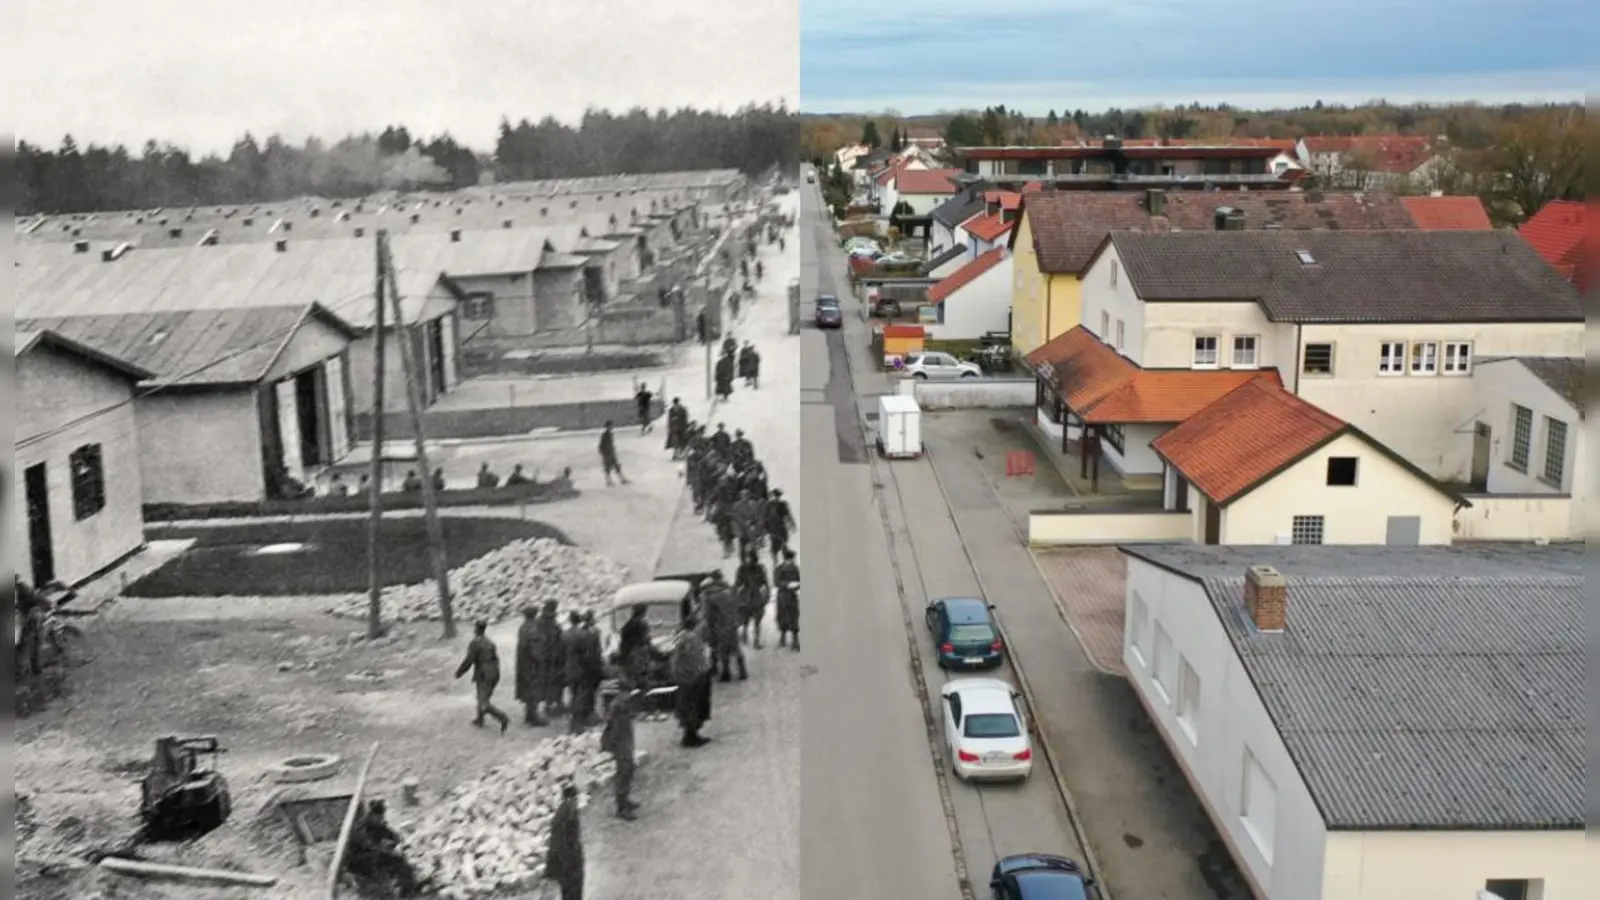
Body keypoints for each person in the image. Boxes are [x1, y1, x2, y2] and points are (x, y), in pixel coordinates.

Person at [454, 621, 509, 732]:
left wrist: (459, 672)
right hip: (494, 672)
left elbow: (469, 660)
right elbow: (495, 658)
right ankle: (480, 719)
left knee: (483, 701)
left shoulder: (475, 643)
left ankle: (502, 717)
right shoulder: (490, 642)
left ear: (476, 629)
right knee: (483, 696)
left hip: (484, 674)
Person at [671, 615, 712, 747]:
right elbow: (695, 659)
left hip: (683, 677)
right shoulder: (691, 639)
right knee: (694, 705)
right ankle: (691, 736)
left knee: (687, 705)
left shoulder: (680, 637)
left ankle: (689, 734)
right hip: (692, 677)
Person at [600, 687, 640, 820]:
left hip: (625, 743)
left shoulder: (620, 710)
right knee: (624, 771)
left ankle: (624, 800)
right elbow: (614, 733)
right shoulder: (616, 710)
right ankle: (621, 807)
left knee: (628, 770)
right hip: (620, 745)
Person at [701, 571, 746, 682]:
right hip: (732, 623)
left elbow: (707, 614)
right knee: (735, 647)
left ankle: (725, 674)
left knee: (721, 649)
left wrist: (709, 626)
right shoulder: (729, 590)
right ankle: (742, 671)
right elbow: (738, 605)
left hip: (719, 625)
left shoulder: (709, 595)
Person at [545, 781, 584, 900]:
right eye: (574, 798)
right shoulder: (562, 817)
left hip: (572, 861)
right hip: (567, 864)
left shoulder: (570, 812)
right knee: (570, 892)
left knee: (574, 891)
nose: (576, 801)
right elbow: (558, 843)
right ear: (568, 798)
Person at [514, 607, 547, 726]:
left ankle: (528, 714)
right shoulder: (534, 629)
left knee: (526, 688)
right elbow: (534, 649)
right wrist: (541, 660)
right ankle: (534, 716)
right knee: (534, 688)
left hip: (522, 663)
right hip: (532, 665)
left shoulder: (522, 627)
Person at [533, 601, 567, 716]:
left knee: (552, 682)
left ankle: (554, 704)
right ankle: (552, 705)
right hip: (550, 658)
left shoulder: (542, 621)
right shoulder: (547, 622)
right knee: (553, 682)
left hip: (549, 657)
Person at [735, 551, 770, 649]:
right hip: (746, 597)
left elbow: (765, 582)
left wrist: (766, 595)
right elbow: (738, 582)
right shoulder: (742, 569)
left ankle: (756, 640)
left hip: (755, 597)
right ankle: (744, 634)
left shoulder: (759, 568)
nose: (748, 560)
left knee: (757, 620)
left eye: (749, 558)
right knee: (745, 619)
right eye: (747, 558)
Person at [617, 603, 653, 686]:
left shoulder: (628, 624)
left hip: (629, 655)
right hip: (637, 655)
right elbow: (645, 640)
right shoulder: (641, 624)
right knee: (641, 678)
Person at [774, 549, 801, 651]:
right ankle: (782, 637)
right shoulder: (779, 569)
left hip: (792, 596)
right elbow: (776, 582)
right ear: (785, 559)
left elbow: (799, 580)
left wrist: (797, 585)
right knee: (782, 616)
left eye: (792, 560)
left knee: (794, 616)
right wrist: (787, 584)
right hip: (782, 596)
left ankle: (795, 640)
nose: (791, 562)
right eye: (789, 560)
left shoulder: (795, 569)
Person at [764, 488, 795, 559]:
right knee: (774, 548)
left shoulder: (783, 504)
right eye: (775, 496)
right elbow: (765, 518)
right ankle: (776, 562)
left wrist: (791, 524)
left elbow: (787, 515)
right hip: (773, 529)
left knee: (783, 544)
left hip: (781, 528)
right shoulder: (769, 505)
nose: (776, 497)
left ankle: (786, 559)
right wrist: (766, 528)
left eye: (778, 496)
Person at [598, 422, 628, 486]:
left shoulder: (610, 434)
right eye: (611, 426)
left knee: (616, 466)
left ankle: (622, 479)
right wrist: (604, 453)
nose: (612, 427)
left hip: (611, 453)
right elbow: (601, 445)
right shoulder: (605, 435)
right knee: (608, 468)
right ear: (608, 426)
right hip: (607, 453)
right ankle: (609, 481)